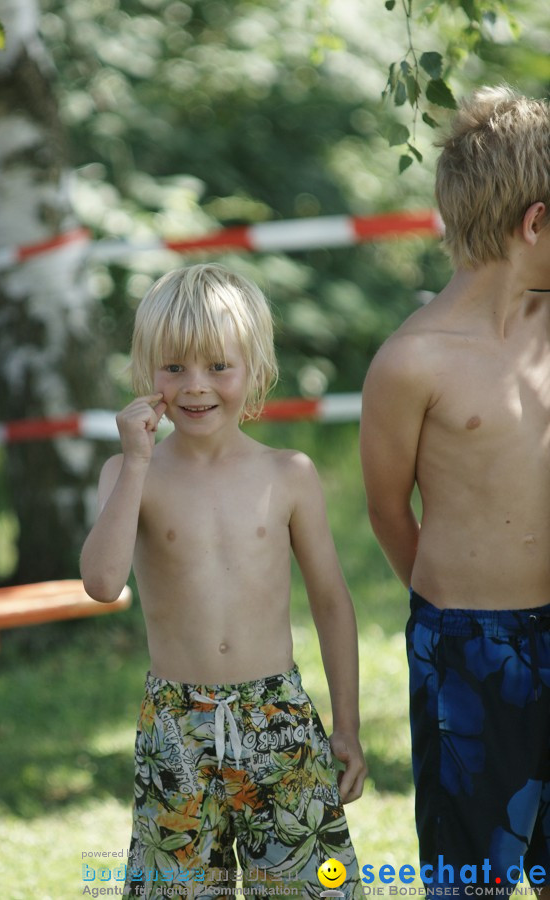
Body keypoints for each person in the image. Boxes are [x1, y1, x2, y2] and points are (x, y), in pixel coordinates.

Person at [80, 263, 366, 899]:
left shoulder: (288, 473)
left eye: (217, 366)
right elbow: (101, 583)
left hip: (279, 718)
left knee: (309, 890)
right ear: (146, 373)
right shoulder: (131, 475)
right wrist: (134, 461)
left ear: (256, 368)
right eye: (174, 367)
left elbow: (331, 601)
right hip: (175, 725)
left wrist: (344, 724)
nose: (195, 386)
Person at [359, 85, 550, 898]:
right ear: (535, 224)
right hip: (466, 650)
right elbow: (386, 511)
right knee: (472, 879)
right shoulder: (412, 362)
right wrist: (451, 616)